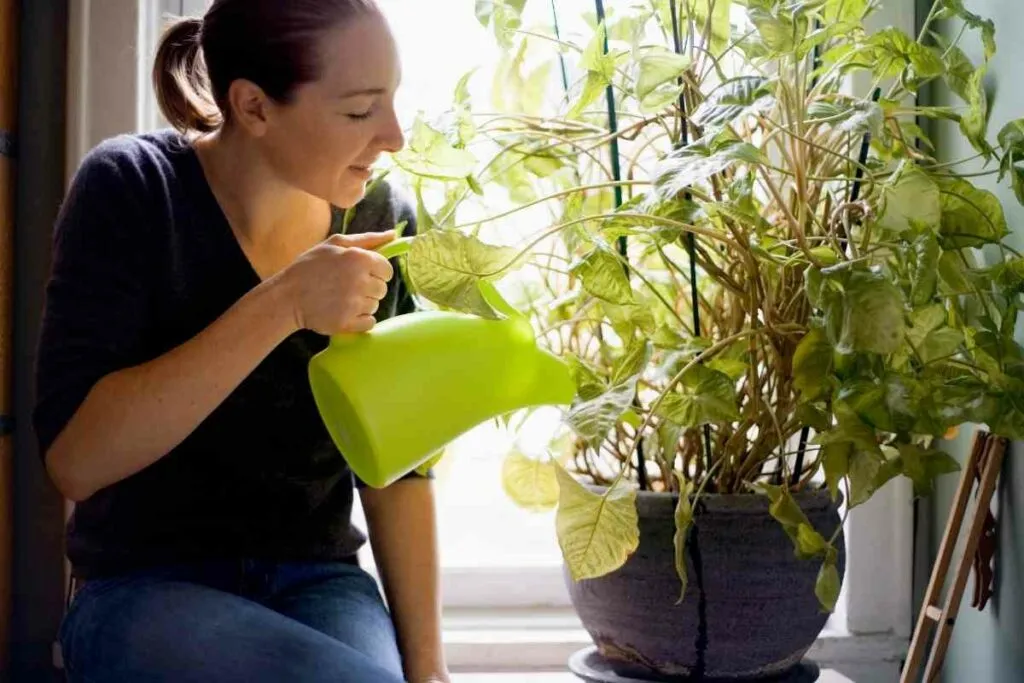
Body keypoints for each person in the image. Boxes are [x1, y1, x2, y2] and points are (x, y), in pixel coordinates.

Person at [33, 1, 448, 681]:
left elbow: (397, 469)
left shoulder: (381, 216)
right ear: (253, 107)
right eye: (359, 110)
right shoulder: (132, 189)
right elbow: (77, 459)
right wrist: (284, 303)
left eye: (393, 100)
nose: (395, 136)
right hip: (141, 588)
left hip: (319, 581)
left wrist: (429, 670)